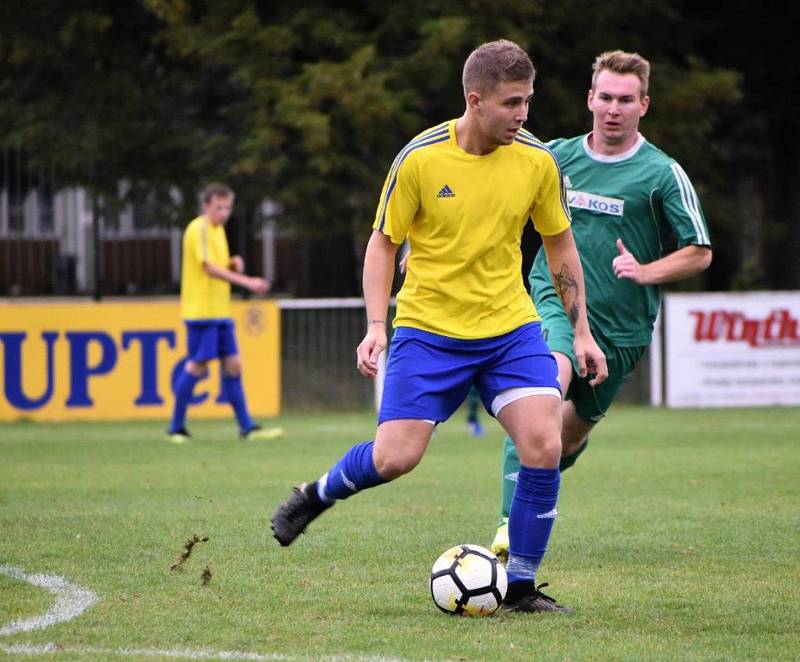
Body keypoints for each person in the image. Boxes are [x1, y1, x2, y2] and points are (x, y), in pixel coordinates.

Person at [271, 40, 607, 613]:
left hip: (509, 329)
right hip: (429, 331)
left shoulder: (537, 162)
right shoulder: (420, 158)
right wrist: (377, 325)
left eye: (527, 101)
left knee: (545, 443)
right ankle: (317, 494)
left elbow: (560, 246)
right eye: (512, 103)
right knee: (394, 458)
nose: (524, 115)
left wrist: (580, 332)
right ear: (475, 101)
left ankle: (522, 586)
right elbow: (383, 244)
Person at [490, 50, 713, 560]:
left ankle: (539, 481)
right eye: (606, 98)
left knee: (566, 437)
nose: (614, 108)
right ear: (590, 99)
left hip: (622, 330)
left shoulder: (661, 173)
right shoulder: (553, 157)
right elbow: (487, 187)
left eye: (626, 100)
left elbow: (700, 250)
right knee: (538, 402)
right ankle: (510, 526)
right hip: (553, 303)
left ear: (644, 105)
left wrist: (645, 272)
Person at [166, 182, 285, 443]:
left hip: (220, 312)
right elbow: (207, 268)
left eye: (228, 207)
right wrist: (247, 282)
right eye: (219, 207)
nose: (224, 213)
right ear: (206, 205)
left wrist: (232, 262)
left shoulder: (218, 230)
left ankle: (247, 427)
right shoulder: (199, 229)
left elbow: (217, 266)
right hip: (201, 312)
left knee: (234, 366)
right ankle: (175, 427)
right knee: (197, 367)